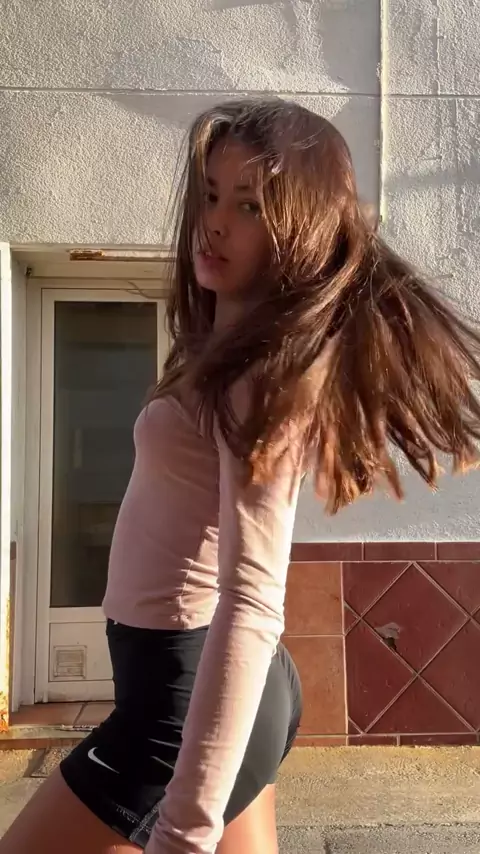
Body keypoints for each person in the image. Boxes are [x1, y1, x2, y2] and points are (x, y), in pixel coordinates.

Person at [3, 97, 480, 854]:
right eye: (212, 196)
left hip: (183, 696)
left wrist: (185, 832)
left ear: (298, 229)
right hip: (203, 687)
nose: (216, 223)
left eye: (250, 205)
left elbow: (253, 599)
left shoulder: (256, 379)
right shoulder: (218, 350)